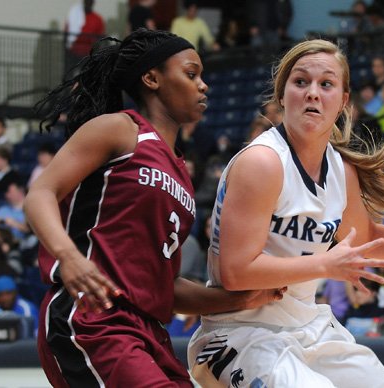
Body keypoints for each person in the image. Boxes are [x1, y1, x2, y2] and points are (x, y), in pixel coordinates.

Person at [25, 28, 282, 387]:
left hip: (150, 331)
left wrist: (239, 299)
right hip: (94, 317)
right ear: (152, 78)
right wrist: (69, 257)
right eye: (191, 74)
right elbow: (40, 193)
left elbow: (166, 284)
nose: (203, 85)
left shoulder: (182, 176)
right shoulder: (120, 129)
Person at [187, 38, 384, 388]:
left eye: (325, 84)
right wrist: (323, 265)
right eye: (300, 82)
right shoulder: (262, 162)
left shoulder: (341, 170)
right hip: (239, 335)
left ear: (343, 101)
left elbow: (367, 239)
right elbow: (234, 272)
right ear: (282, 96)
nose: (312, 92)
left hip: (309, 329)